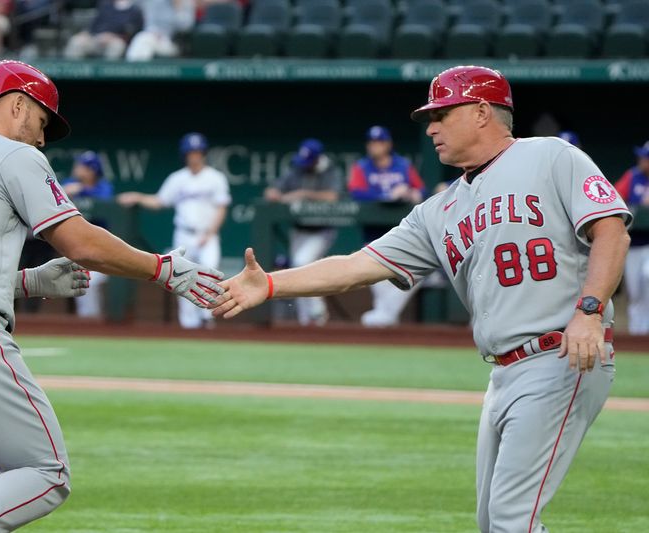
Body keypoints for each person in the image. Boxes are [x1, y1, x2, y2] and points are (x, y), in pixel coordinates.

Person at [213, 65, 632, 533]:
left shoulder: (552, 156)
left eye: (442, 114)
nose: (430, 127)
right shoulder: (439, 210)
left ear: (480, 112)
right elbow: (355, 267)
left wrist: (590, 311)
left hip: (561, 355)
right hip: (504, 371)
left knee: (513, 520)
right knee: (493, 521)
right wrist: (269, 284)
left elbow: (610, 229)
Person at [0, 60, 223, 533]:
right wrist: (163, 269)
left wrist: (30, 282)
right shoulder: (11, 154)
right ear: (18, 104)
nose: (42, 139)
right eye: (42, 123)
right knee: (46, 474)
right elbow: (81, 243)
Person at [117, 132, 230, 329]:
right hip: (184, 234)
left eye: (197, 152)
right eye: (190, 152)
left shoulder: (216, 178)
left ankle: (207, 318)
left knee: (210, 274)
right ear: (185, 154)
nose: (194, 156)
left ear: (203, 153)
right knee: (183, 277)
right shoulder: (177, 178)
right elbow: (160, 201)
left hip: (207, 235)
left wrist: (210, 233)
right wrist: (138, 196)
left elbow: (221, 208)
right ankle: (189, 324)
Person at [348, 125, 426, 327]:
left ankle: (383, 320)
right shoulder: (362, 167)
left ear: (388, 144)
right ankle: (384, 322)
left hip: (402, 231)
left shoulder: (402, 165)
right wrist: (388, 195)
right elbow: (356, 193)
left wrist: (409, 192)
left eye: (379, 142)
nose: (375, 146)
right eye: (371, 142)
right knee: (380, 284)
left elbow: (421, 190)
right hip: (374, 234)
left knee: (413, 274)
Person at [264, 138, 343, 326]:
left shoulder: (330, 170)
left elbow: (333, 196)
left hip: (321, 230)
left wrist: (304, 194)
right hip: (299, 230)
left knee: (302, 263)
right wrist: (277, 194)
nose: (305, 166)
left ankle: (317, 312)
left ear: (318, 159)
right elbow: (271, 191)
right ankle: (306, 323)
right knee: (296, 270)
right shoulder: (297, 169)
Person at [62, 150, 114, 318]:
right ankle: (88, 322)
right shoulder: (69, 183)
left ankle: (92, 322)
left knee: (90, 281)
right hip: (75, 247)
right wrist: (70, 190)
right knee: (83, 281)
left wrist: (82, 190)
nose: (77, 168)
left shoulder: (104, 187)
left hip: (102, 248)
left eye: (82, 166)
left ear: (91, 171)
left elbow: (105, 198)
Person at [614, 140, 649, 334]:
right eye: (643, 157)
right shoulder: (632, 176)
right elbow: (615, 198)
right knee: (635, 294)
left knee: (648, 276)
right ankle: (638, 337)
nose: (643, 161)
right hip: (633, 243)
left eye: (646, 158)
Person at [63, 0, 143, 60]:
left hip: (116, 41)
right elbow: (93, 27)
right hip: (96, 39)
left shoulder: (135, 10)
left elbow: (132, 33)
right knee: (77, 41)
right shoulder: (105, 6)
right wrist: (86, 33)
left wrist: (112, 37)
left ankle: (109, 80)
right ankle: (73, 77)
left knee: (117, 45)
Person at [125, 0, 194, 61]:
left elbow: (186, 27)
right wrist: (155, 32)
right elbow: (150, 23)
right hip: (155, 38)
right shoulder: (158, 2)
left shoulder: (186, 4)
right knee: (143, 39)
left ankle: (132, 69)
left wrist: (178, 9)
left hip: (174, 43)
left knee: (144, 39)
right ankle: (136, 69)